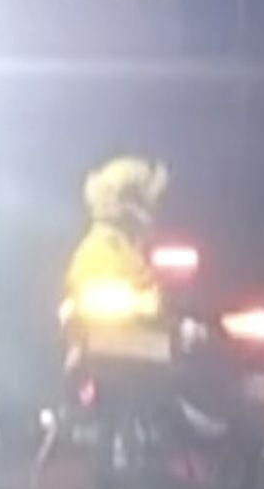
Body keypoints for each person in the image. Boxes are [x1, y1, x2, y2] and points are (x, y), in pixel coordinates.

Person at [60, 155, 177, 366]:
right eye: (148, 201)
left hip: (144, 364)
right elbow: (82, 301)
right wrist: (144, 304)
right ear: (130, 204)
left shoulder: (136, 250)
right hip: (104, 356)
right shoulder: (99, 249)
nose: (154, 209)